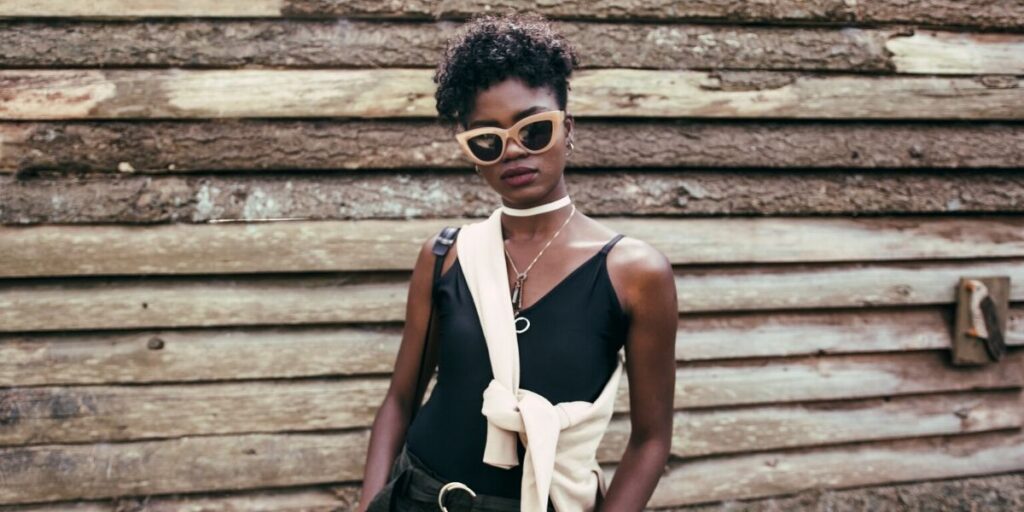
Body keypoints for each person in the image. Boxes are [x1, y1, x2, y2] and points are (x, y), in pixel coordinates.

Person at [358, 12, 676, 512]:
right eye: (487, 138)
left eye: (533, 129)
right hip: (418, 497)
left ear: (567, 129)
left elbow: (651, 439)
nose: (512, 150)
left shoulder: (634, 273)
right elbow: (400, 400)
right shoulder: (445, 255)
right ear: (472, 152)